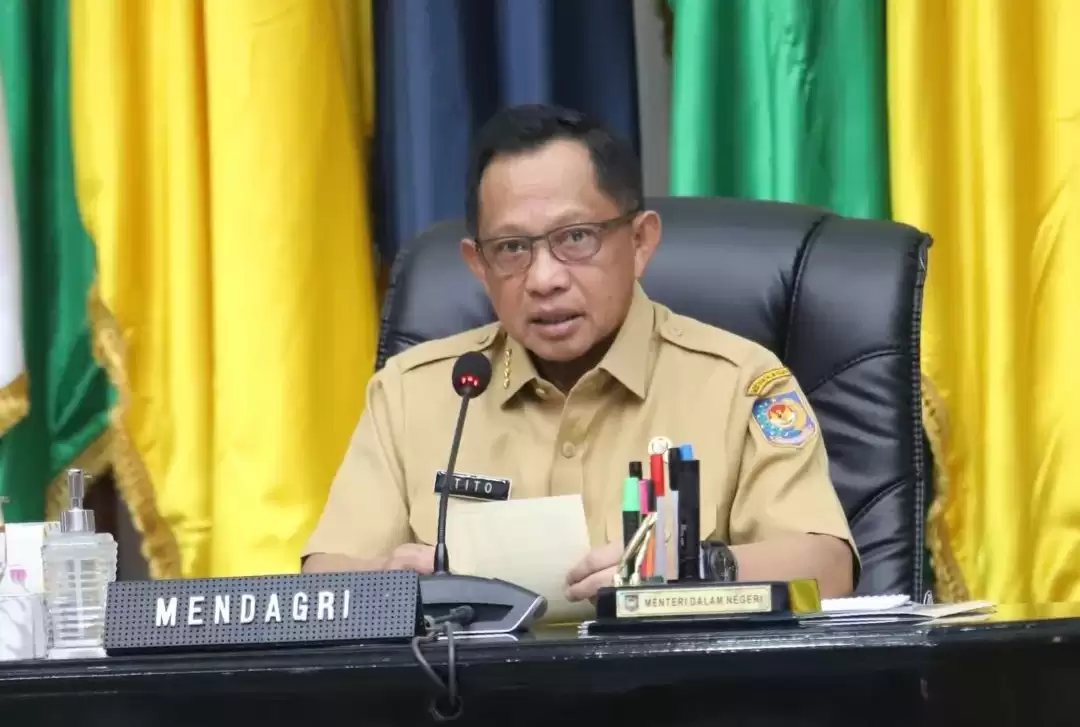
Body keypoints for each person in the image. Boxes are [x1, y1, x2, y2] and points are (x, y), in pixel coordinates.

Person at [302, 104, 857, 599]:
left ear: (640, 241)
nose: (544, 279)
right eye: (512, 248)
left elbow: (827, 569)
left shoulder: (739, 383)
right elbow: (323, 583)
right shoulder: (413, 392)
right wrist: (396, 585)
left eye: (575, 238)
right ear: (478, 266)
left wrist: (688, 568)